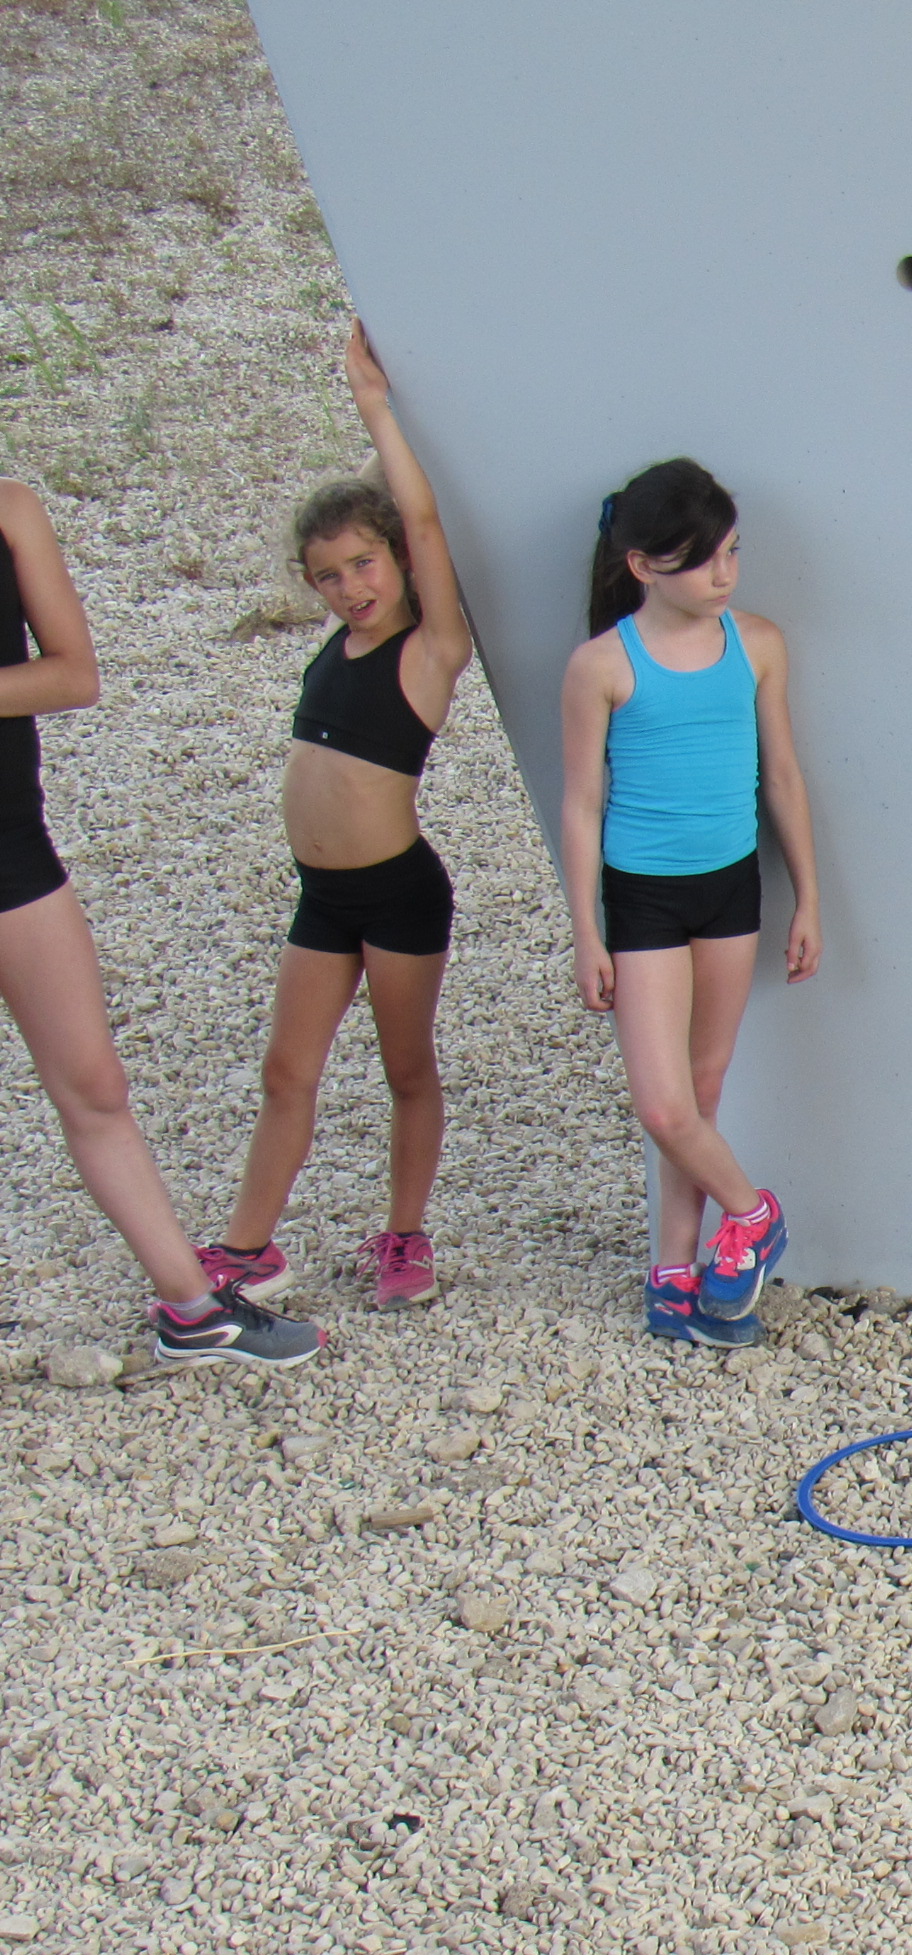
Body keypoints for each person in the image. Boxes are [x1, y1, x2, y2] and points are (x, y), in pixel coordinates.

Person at [0, 481, 320, 1367]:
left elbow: (73, 674)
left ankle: (192, 1309)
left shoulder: (11, 509)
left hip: (12, 848)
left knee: (94, 1084)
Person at [201, 324, 470, 1312]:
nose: (352, 587)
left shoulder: (430, 647)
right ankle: (247, 1248)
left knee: (406, 1070)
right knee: (287, 1071)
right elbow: (376, 506)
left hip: (397, 893)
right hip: (321, 896)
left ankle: (405, 1237)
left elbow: (421, 518)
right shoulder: (338, 646)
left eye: (365, 564)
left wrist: (377, 406)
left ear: (396, 559)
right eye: (329, 575)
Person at [555, 458, 819, 1348]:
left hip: (731, 889)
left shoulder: (759, 644)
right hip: (644, 901)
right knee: (664, 1107)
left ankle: (675, 1271)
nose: (723, 573)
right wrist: (586, 931)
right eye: (701, 559)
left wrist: (808, 899)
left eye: (732, 551)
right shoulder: (601, 664)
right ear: (642, 566)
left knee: (702, 1092)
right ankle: (752, 1216)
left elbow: (782, 777)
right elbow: (581, 804)